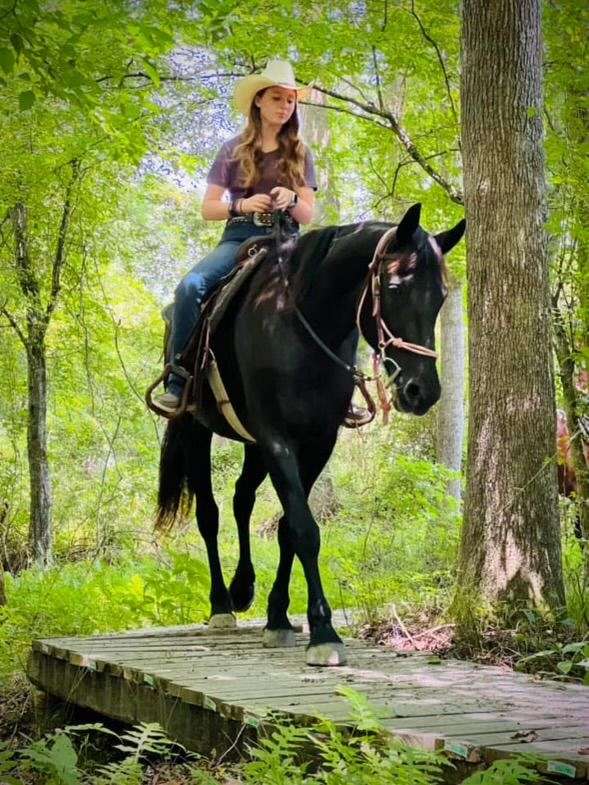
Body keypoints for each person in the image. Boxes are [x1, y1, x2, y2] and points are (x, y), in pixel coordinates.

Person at [155, 59, 317, 414]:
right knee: (190, 287)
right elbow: (208, 208)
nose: (284, 106)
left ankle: (341, 388)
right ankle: (178, 382)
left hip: (287, 242)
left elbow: (309, 213)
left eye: (290, 100)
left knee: (335, 288)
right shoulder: (231, 149)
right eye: (277, 98)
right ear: (258, 100)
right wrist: (241, 206)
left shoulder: (301, 153)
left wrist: (291, 200)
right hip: (239, 239)